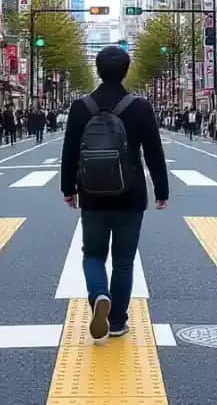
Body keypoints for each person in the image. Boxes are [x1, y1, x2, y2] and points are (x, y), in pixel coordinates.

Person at [60, 45, 169, 341]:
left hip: (92, 193)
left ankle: (99, 295)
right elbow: (154, 152)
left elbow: (70, 151)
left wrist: (68, 188)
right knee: (124, 259)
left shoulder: (81, 107)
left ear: (97, 70)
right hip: (130, 194)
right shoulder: (140, 107)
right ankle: (118, 321)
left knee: (93, 254)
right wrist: (161, 190)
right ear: (126, 70)